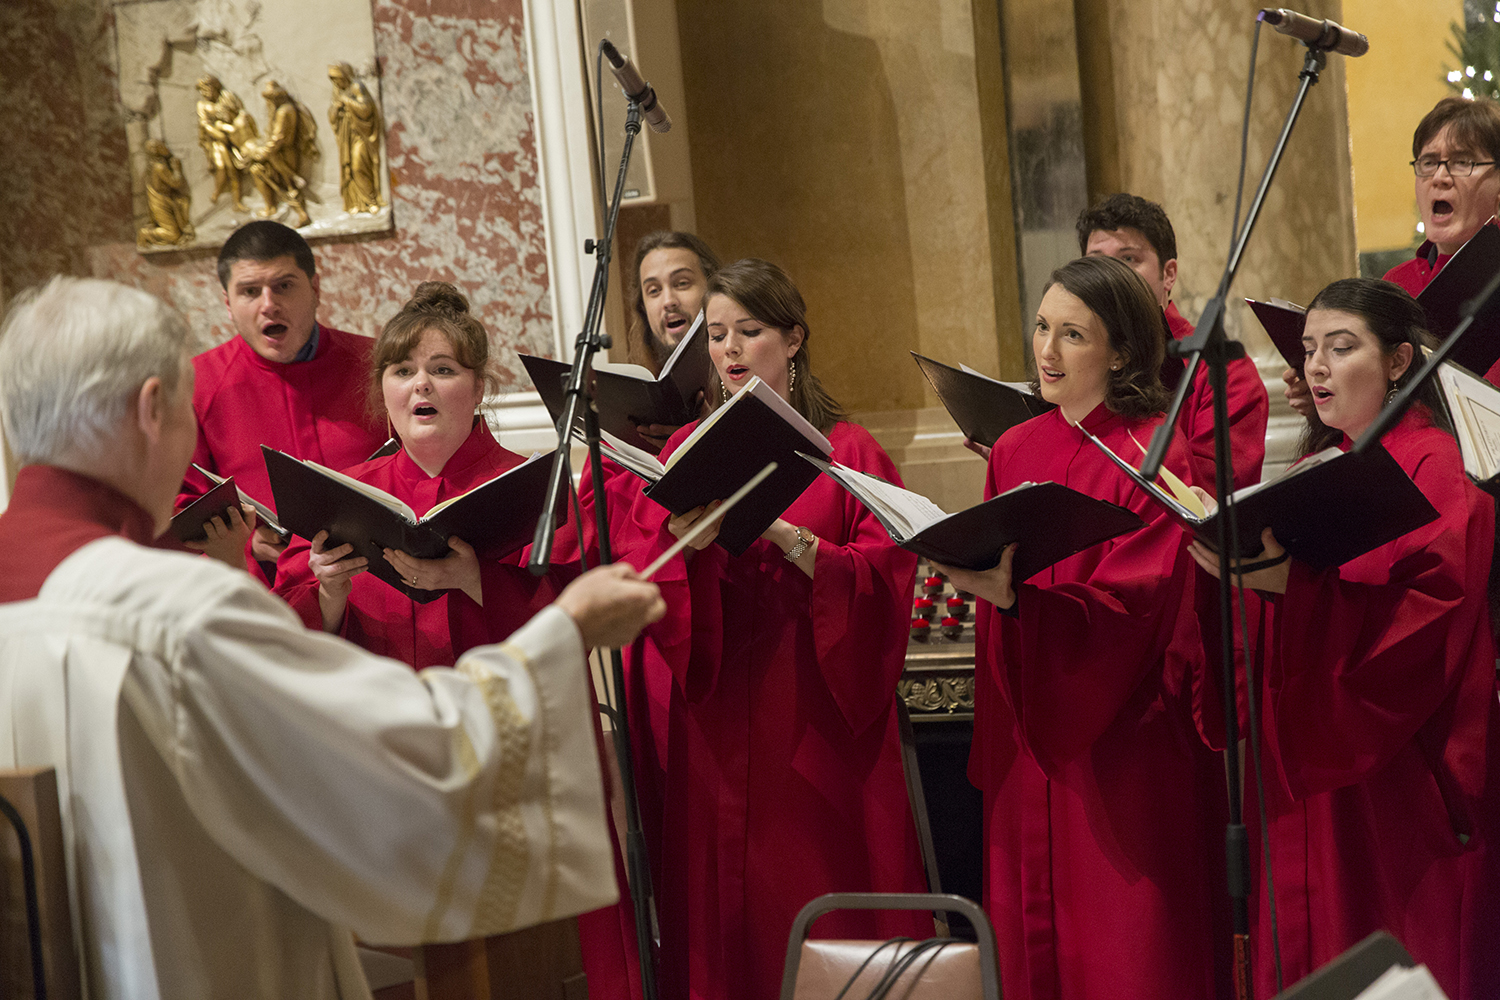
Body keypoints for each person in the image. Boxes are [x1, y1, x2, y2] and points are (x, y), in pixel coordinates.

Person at [0, 275, 667, 1000]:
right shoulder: (171, 611)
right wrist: (566, 630)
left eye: (443, 370)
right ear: (152, 410)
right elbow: (400, 747)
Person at [613, 258, 929, 1000]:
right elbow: (643, 571)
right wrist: (683, 553)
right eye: (716, 334)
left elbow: (887, 576)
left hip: (817, 714)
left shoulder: (848, 450)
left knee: (824, 901)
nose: (727, 350)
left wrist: (790, 538)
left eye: (747, 332)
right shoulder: (679, 450)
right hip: (719, 711)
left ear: (793, 339)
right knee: (728, 924)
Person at [1189, 279, 1500, 1000]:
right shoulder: (1321, 467)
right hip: (1313, 775)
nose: (1316, 367)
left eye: (1341, 347)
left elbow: (1427, 615)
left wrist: (1290, 590)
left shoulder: (1435, 468)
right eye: (1307, 351)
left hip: (1395, 788)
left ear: (1398, 361)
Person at [935, 255, 1227, 1000]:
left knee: (1127, 955)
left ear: (1121, 351)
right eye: (1041, 327)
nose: (1046, 351)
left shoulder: (1155, 449)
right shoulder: (1014, 448)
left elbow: (1140, 598)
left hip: (1119, 740)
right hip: (1027, 730)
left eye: (1072, 334)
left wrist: (1021, 605)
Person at [273, 281, 573, 668]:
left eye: (443, 369)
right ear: (383, 391)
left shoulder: (537, 488)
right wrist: (330, 592)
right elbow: (282, 639)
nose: (421, 384)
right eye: (402, 371)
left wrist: (476, 580)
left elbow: (580, 616)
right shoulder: (341, 495)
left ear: (478, 388)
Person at [180, 220, 386, 581]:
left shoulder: (380, 367)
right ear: (228, 304)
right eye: (249, 291)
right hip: (266, 592)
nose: (269, 305)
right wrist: (245, 544)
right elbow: (183, 510)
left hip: (379, 582)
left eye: (284, 286)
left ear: (316, 288)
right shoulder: (195, 385)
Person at [1286, 96, 1500, 413]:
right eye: (1428, 162)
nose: (1440, 178)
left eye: (1462, 162)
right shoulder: (1396, 284)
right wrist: (1328, 397)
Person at [1079, 192, 1269, 494]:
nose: (1112, 276)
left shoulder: (1224, 369)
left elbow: (1212, 494)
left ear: (1168, 275)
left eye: (1128, 259)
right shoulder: (1077, 357)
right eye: (1097, 263)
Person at [626, 230, 721, 450]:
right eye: (654, 290)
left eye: (682, 283)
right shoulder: (630, 404)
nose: (668, 301)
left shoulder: (747, 380)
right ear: (643, 309)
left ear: (714, 290)